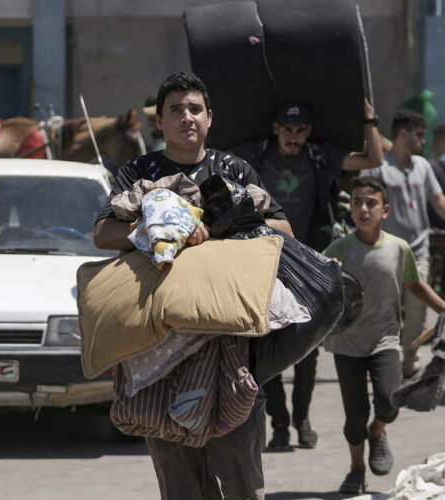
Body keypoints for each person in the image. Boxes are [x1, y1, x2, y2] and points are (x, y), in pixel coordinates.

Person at [94, 71, 292, 500]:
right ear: (159, 123)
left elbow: (284, 230)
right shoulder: (139, 173)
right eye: (175, 110)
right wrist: (159, 233)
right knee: (181, 485)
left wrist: (222, 228)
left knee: (242, 480)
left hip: (231, 348)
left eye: (195, 109)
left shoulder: (234, 169)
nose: (186, 117)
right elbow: (103, 234)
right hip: (161, 353)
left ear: (209, 118)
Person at [230, 100, 384, 451]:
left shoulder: (319, 157)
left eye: (300, 131)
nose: (293, 137)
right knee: (265, 342)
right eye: (287, 129)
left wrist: (370, 119)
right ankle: (280, 424)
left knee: (307, 350)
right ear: (275, 128)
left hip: (309, 264)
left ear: (309, 132)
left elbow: (373, 160)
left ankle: (302, 418)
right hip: (264, 262)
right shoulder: (256, 155)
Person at [323, 176, 445, 495]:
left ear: (385, 210)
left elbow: (414, 285)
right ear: (351, 209)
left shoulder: (399, 248)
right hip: (347, 343)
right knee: (354, 417)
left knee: (390, 400)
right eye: (357, 202)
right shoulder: (339, 248)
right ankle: (357, 469)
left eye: (371, 203)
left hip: (385, 339)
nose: (363, 209)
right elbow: (318, 281)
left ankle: (378, 432)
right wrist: (328, 269)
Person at [361, 110, 445, 378]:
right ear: (403, 134)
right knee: (383, 311)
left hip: (418, 250)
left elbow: (438, 201)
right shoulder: (379, 167)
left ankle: (410, 360)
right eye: (418, 135)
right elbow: (366, 204)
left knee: (418, 311)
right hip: (385, 252)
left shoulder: (423, 166)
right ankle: (379, 360)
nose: (423, 141)